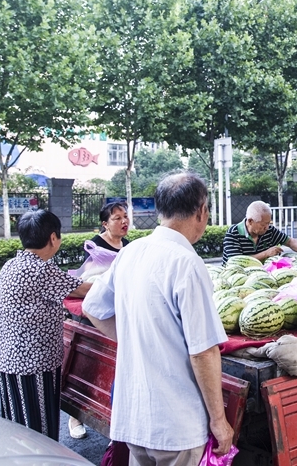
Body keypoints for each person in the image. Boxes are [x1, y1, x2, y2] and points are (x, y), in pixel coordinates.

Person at [83, 172, 234, 463]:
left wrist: (136, 338)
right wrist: (219, 420)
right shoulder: (187, 263)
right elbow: (203, 351)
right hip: (176, 426)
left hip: (134, 420)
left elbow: (93, 307)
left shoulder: (131, 252)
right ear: (201, 211)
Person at [0, 210, 91, 440]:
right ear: (53, 237)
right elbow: (84, 290)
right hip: (33, 363)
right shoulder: (41, 269)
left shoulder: (11, 264)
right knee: (38, 431)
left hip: (9, 359)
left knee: (17, 426)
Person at [68, 200, 130, 440]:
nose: (124, 221)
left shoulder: (129, 245)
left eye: (125, 217)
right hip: (94, 313)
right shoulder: (95, 245)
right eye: (117, 218)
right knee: (88, 365)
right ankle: (75, 416)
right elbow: (91, 278)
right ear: (105, 224)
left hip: (119, 310)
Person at [222, 201, 297, 264]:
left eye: (268, 223)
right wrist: (266, 253)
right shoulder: (233, 234)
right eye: (263, 224)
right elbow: (236, 262)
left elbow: (290, 241)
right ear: (250, 221)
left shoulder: (270, 231)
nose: (267, 227)